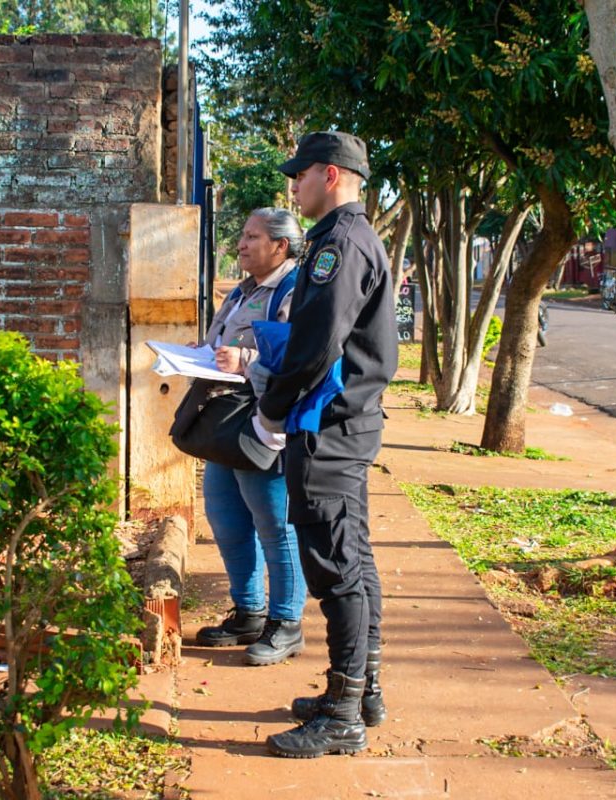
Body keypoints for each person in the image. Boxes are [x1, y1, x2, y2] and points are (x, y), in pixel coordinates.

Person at [250, 131, 398, 758]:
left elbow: (317, 343)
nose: (294, 186)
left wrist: (273, 407)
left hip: (327, 422)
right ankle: (361, 689)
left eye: (301, 175)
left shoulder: (340, 244)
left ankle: (342, 715)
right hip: (344, 421)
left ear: (331, 175)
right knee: (353, 557)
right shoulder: (347, 239)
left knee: (336, 564)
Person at [193, 208, 309, 667]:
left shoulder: (294, 290)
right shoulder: (242, 291)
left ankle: (287, 623)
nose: (240, 244)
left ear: (280, 245)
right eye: (241, 236)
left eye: (251, 236)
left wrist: (242, 360)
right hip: (227, 422)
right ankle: (249, 612)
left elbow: (296, 353)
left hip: (265, 421)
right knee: (224, 512)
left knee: (275, 524)